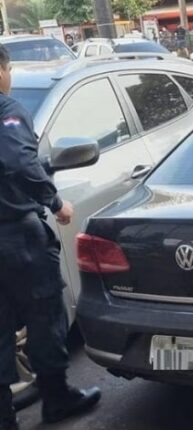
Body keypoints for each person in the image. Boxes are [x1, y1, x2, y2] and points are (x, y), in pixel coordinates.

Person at [0, 44, 101, 430]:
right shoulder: (6, 110)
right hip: (16, 239)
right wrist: (55, 202)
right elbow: (18, 161)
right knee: (44, 316)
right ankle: (56, 398)